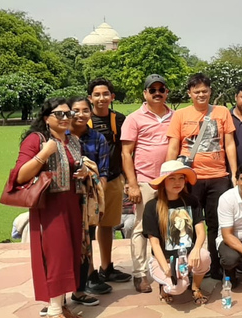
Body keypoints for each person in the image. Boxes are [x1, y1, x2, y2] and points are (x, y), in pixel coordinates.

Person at [9, 98, 89, 318]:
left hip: (72, 202)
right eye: (59, 114)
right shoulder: (37, 139)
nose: (66, 118)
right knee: (55, 254)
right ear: (46, 117)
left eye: (68, 114)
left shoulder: (73, 140)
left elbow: (75, 167)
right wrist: (44, 153)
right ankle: (54, 309)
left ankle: (61, 304)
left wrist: (83, 173)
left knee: (70, 252)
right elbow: (20, 175)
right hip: (49, 206)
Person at [166, 72, 237, 280]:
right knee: (185, 225)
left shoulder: (222, 112)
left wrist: (233, 173)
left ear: (210, 91)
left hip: (217, 176)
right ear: (190, 93)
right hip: (190, 177)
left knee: (216, 225)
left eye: (204, 91)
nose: (201, 95)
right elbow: (173, 145)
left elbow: (230, 143)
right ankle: (186, 269)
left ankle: (215, 268)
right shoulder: (180, 115)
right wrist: (169, 173)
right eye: (196, 92)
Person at [121, 74, 174, 293]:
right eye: (153, 90)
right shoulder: (134, 118)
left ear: (167, 92)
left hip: (171, 181)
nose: (157, 93)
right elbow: (126, 153)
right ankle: (140, 273)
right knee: (142, 226)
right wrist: (132, 184)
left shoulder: (175, 116)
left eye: (161, 89)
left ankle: (169, 269)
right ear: (145, 93)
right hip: (145, 181)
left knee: (171, 225)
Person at [142, 161, 210, 305]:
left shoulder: (191, 201)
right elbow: (154, 242)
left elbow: (200, 230)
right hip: (166, 259)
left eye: (181, 178)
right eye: (172, 178)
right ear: (163, 181)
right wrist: (166, 268)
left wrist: (197, 249)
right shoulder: (152, 206)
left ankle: (196, 287)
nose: (177, 182)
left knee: (204, 256)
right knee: (177, 288)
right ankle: (164, 287)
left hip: (187, 256)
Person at [87, 78, 132, 287]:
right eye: (97, 94)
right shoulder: (83, 120)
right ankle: (88, 273)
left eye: (106, 94)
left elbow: (126, 150)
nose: (101, 98)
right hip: (87, 184)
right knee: (87, 229)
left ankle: (106, 268)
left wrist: (126, 178)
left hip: (112, 179)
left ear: (112, 97)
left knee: (107, 225)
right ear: (90, 98)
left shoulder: (119, 120)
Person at [67, 97, 111, 304]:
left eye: (86, 110)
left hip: (88, 198)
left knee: (86, 240)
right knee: (64, 244)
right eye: (76, 110)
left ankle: (81, 286)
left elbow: (103, 171)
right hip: (64, 197)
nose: (81, 114)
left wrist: (96, 190)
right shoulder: (61, 137)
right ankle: (59, 295)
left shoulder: (98, 139)